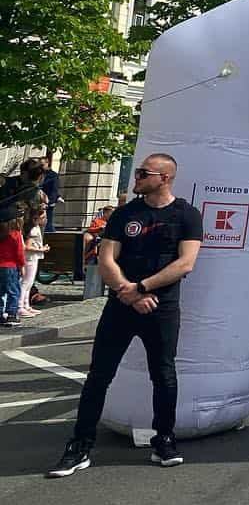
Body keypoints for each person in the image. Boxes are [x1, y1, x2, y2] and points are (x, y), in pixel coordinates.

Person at [48, 153, 202, 477]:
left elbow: (185, 263)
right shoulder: (125, 214)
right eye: (137, 173)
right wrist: (126, 292)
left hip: (162, 308)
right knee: (99, 376)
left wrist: (143, 288)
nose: (137, 178)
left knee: (164, 375)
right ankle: (80, 445)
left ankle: (165, 440)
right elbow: (107, 259)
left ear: (165, 178)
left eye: (144, 173)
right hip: (121, 305)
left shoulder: (187, 214)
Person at [19, 203, 49, 318]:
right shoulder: (33, 229)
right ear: (35, 218)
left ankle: (26, 305)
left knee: (28, 283)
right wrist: (41, 249)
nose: (44, 220)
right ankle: (20, 306)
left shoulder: (34, 227)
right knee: (26, 282)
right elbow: (27, 246)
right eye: (43, 217)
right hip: (30, 257)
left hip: (32, 257)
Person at [81, 205, 115, 301]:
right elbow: (91, 229)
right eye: (109, 213)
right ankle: (84, 261)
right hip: (97, 241)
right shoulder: (97, 221)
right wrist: (100, 229)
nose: (111, 215)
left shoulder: (113, 222)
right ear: (105, 213)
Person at [0, 206, 23, 327]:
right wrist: (21, 265)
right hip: (10, 265)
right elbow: (19, 252)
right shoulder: (15, 234)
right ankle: (11, 314)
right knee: (13, 290)